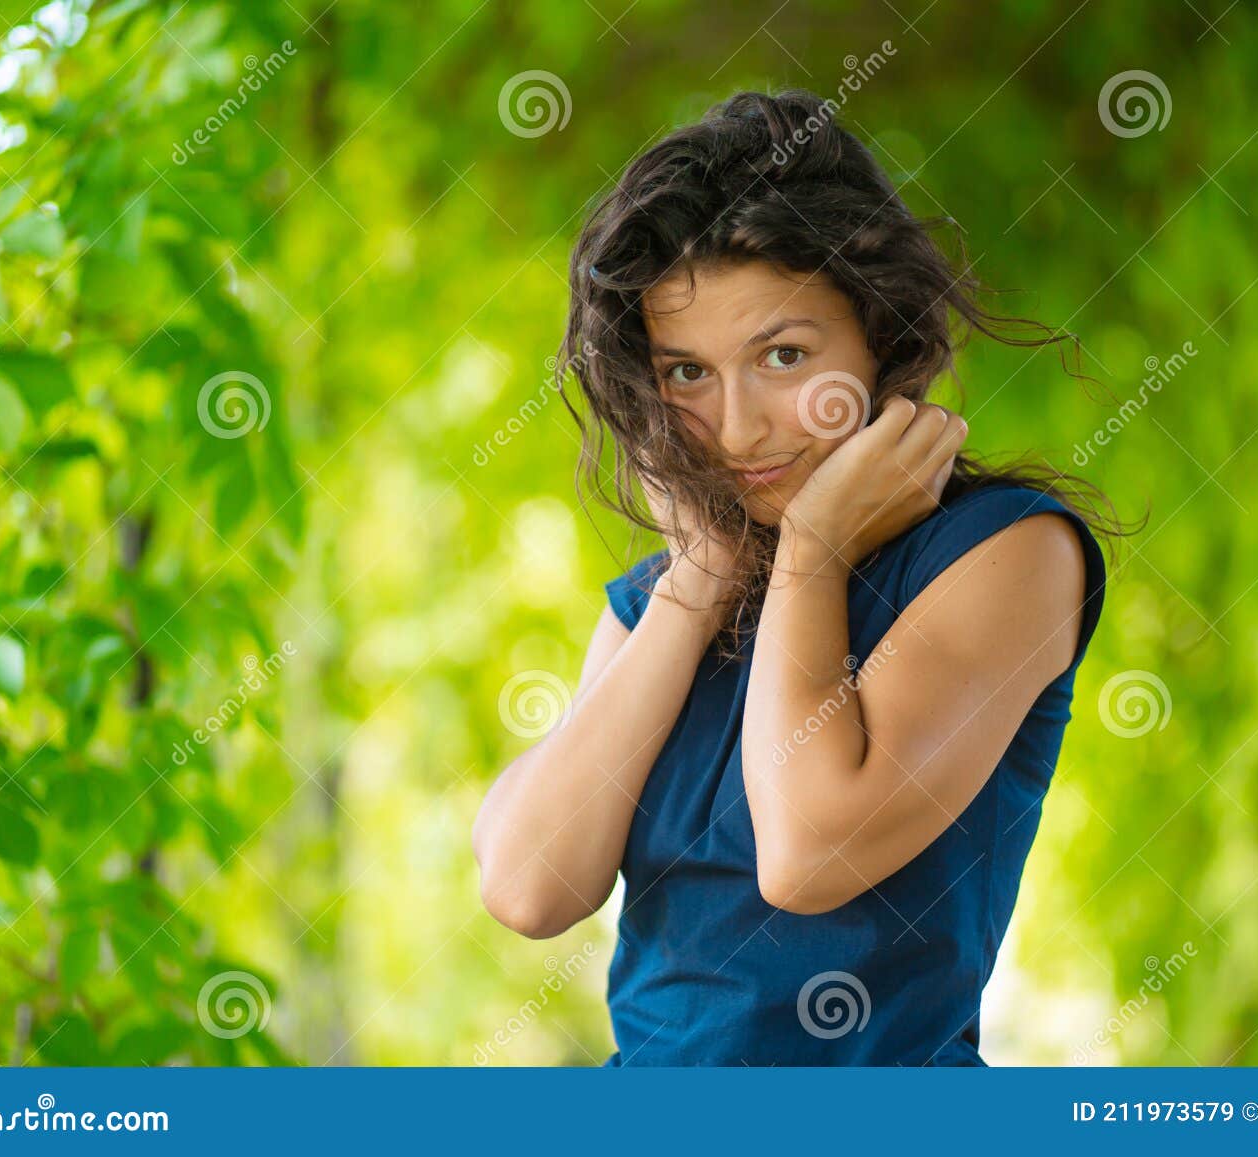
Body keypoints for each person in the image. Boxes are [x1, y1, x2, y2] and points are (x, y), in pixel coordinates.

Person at [472, 88, 1123, 1065]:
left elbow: (807, 849)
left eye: (782, 354)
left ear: (881, 336)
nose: (736, 428)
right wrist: (696, 587)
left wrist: (813, 552)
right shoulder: (669, 595)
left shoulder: (1006, 552)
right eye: (687, 372)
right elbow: (528, 887)